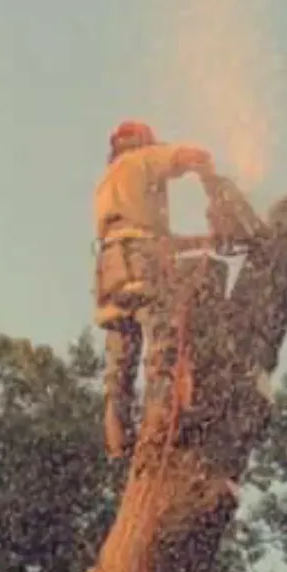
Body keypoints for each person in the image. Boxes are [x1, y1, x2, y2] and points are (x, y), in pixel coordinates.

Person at [93, 119, 217, 459]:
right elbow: (193, 155)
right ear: (143, 142)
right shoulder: (145, 158)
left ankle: (118, 439)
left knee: (120, 361)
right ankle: (165, 422)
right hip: (142, 260)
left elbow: (145, 233)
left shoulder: (110, 179)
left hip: (110, 268)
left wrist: (205, 240)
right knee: (164, 341)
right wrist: (214, 185)